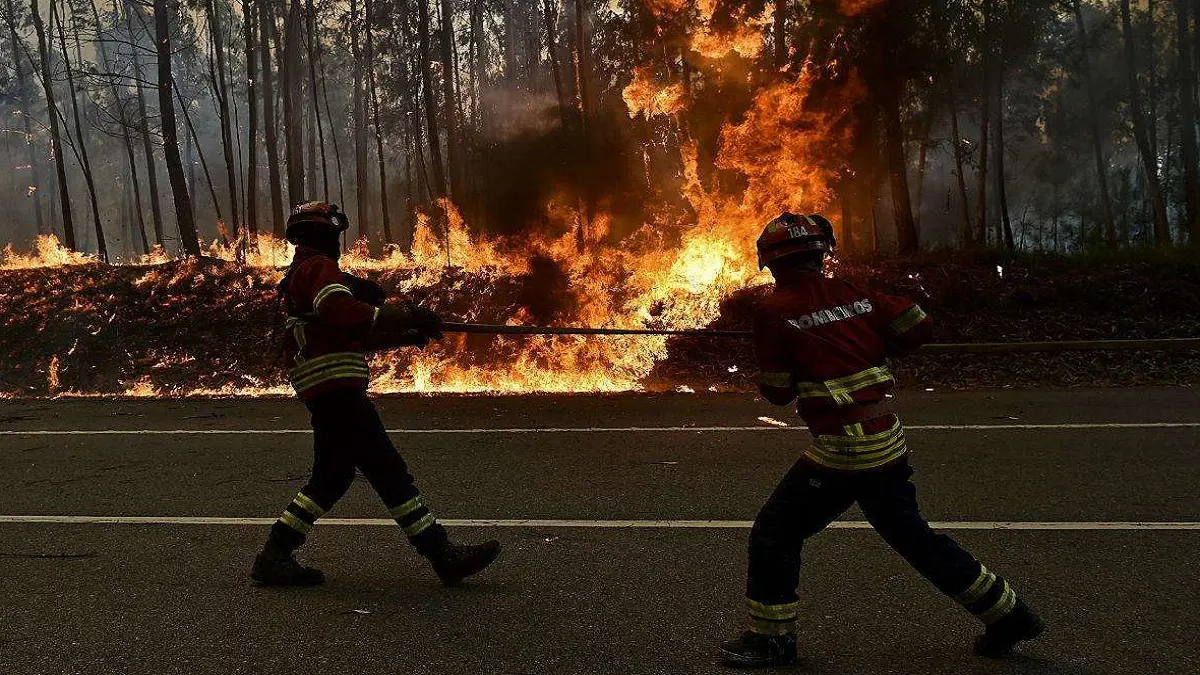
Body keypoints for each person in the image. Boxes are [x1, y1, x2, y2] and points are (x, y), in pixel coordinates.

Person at [718, 213, 1044, 667]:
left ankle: (772, 638)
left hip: (845, 449)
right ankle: (1008, 613)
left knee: (775, 533)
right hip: (887, 438)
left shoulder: (774, 312)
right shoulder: (852, 293)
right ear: (820, 255)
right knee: (913, 537)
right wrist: (865, 335)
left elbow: (776, 391)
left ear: (771, 264)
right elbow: (917, 326)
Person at [251, 200, 500, 587]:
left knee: (331, 478)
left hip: (328, 391)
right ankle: (441, 553)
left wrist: (407, 335)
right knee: (388, 470)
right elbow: (338, 310)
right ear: (320, 235)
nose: (338, 243)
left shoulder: (303, 273)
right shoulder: (317, 268)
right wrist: (402, 314)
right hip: (338, 394)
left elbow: (348, 334)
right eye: (333, 235)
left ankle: (275, 554)